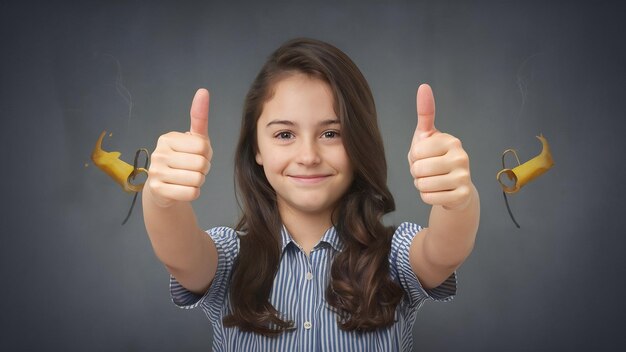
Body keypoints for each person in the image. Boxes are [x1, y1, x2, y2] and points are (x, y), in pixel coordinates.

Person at [142, 38, 480, 351]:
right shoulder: (230, 258)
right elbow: (179, 252)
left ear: (359, 142)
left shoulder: (395, 256)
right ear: (256, 148)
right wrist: (162, 198)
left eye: (331, 133)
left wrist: (457, 199)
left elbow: (444, 252)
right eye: (285, 134)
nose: (308, 156)